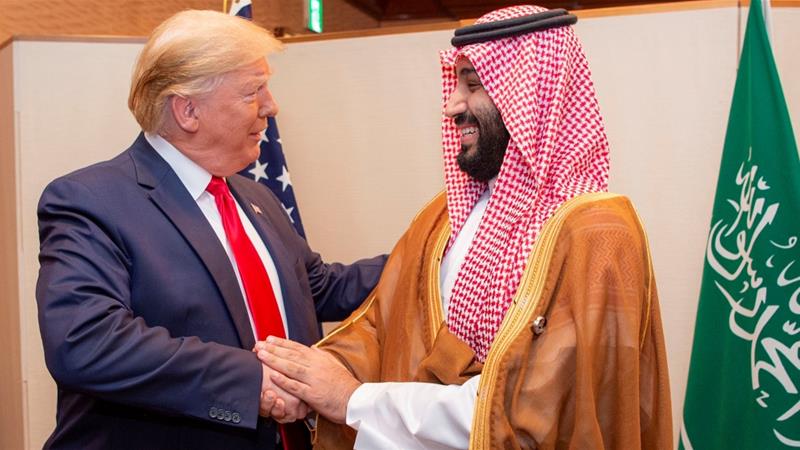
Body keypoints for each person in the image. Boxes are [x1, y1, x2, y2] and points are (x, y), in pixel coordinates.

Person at [255, 5, 673, 449]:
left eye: (473, 85)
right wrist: (304, 380)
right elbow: (382, 327)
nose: (452, 105)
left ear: (529, 96)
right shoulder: (444, 215)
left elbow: (538, 414)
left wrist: (354, 400)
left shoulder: (597, 235)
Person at [35, 10, 385, 450]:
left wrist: (435, 251)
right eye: (252, 91)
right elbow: (85, 341)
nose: (271, 106)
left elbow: (319, 288)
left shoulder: (256, 198)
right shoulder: (90, 201)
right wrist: (250, 382)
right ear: (188, 110)